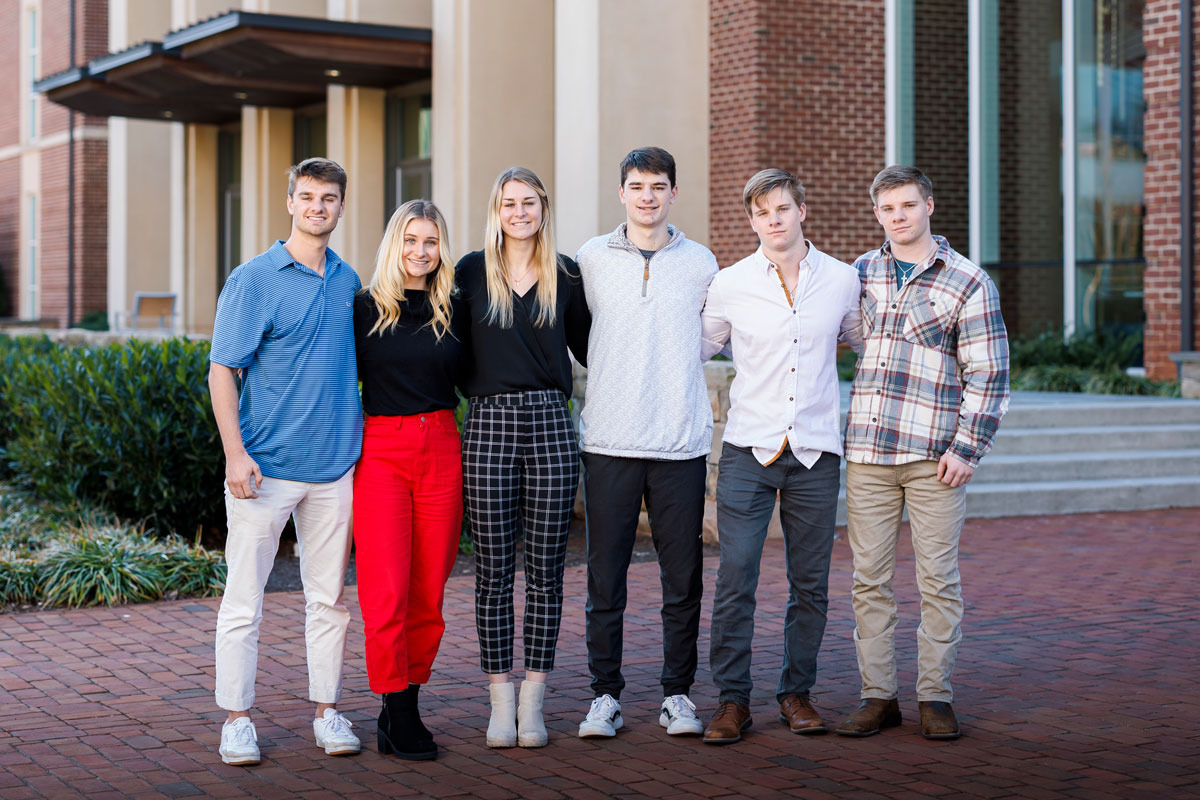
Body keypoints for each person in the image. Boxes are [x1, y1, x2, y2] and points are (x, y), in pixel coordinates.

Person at [836, 165, 1009, 741]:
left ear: (929, 206)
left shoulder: (968, 281)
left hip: (935, 458)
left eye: (907, 205)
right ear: (877, 214)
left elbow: (989, 374)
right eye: (887, 209)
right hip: (868, 455)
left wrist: (968, 449)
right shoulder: (861, 272)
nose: (898, 217)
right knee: (869, 581)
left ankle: (935, 696)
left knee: (938, 580)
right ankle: (878, 696)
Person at [698, 169, 862, 744]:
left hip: (816, 452)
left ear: (802, 211)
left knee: (810, 583)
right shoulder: (730, 283)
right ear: (752, 220)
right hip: (750, 449)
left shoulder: (842, 280)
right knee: (736, 575)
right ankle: (732, 701)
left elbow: (870, 346)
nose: (774, 219)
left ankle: (797, 694)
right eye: (763, 212)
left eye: (783, 208)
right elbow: (694, 349)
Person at [209, 157, 362, 766]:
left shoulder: (348, 280)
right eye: (308, 196)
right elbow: (223, 371)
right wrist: (234, 454)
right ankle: (237, 721)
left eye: (329, 198)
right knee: (243, 602)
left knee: (329, 603)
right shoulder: (253, 279)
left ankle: (327, 713)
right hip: (264, 470)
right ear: (291, 203)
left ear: (341, 206)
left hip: (334, 469)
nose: (318, 207)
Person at [574, 147, 718, 739]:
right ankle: (604, 696)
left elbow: (708, 339)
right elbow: (580, 336)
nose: (647, 196)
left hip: (679, 443)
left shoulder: (702, 263)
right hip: (609, 440)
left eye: (658, 186)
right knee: (604, 581)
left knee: (682, 582)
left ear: (673, 193)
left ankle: (677, 695)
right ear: (622, 193)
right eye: (637, 186)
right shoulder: (589, 259)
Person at [456, 166, 590, 749]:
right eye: (509, 203)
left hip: (550, 423)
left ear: (543, 209)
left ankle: (533, 701)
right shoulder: (468, 272)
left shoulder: (566, 274)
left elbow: (593, 348)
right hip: (488, 423)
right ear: (497, 210)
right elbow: (445, 345)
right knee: (491, 573)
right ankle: (500, 700)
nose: (519, 212)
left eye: (529, 202)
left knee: (545, 572)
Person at [353, 199, 465, 760]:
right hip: (382, 452)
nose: (421, 252)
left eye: (431, 241)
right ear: (394, 244)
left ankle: (404, 702)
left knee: (428, 592)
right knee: (386, 590)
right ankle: (397, 710)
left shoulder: (456, 309)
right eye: (411, 240)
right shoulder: (363, 308)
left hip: (442, 446)